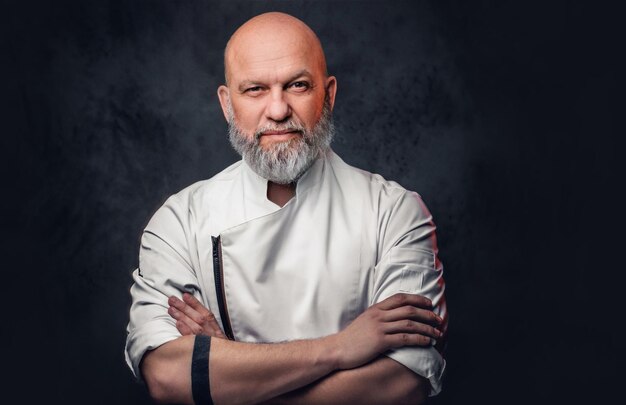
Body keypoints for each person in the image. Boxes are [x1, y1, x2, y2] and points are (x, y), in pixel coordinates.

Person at [125, 11, 448, 405]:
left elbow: (400, 383)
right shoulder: (179, 222)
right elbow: (168, 376)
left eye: (297, 85)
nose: (278, 110)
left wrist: (230, 374)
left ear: (328, 94)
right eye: (255, 90)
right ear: (227, 104)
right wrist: (340, 347)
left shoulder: (395, 213)